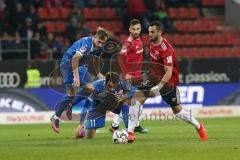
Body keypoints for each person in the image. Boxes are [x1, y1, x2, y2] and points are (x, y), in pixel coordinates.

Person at [138, 21, 208, 141]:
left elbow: (169, 72)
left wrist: (158, 87)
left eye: (152, 32)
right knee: (137, 98)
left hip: (168, 82)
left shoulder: (166, 50)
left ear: (159, 33)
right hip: (154, 77)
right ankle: (131, 130)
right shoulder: (152, 43)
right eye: (149, 32)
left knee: (178, 111)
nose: (149, 34)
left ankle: (199, 126)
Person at [50, 27, 108, 133]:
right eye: (99, 41)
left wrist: (98, 74)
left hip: (81, 66)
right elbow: (75, 58)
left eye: (102, 43)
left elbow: (94, 61)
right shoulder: (86, 43)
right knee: (73, 93)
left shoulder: (99, 48)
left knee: (88, 89)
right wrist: (76, 77)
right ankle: (56, 117)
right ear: (94, 37)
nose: (100, 45)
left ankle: (68, 105)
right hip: (67, 64)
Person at [73, 72, 145, 143]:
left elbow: (135, 91)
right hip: (98, 107)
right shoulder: (96, 86)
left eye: (115, 86)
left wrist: (125, 96)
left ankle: (129, 132)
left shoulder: (121, 84)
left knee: (128, 102)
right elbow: (87, 105)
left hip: (114, 104)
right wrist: (81, 123)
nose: (112, 89)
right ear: (106, 82)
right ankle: (84, 131)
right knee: (89, 136)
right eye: (110, 86)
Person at [110, 19, 148, 133]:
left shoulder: (139, 39)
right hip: (130, 77)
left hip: (138, 76)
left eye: (138, 29)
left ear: (140, 29)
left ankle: (133, 125)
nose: (136, 31)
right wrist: (126, 72)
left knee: (139, 100)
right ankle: (116, 125)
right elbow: (121, 58)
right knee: (130, 102)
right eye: (133, 29)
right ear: (129, 29)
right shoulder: (128, 42)